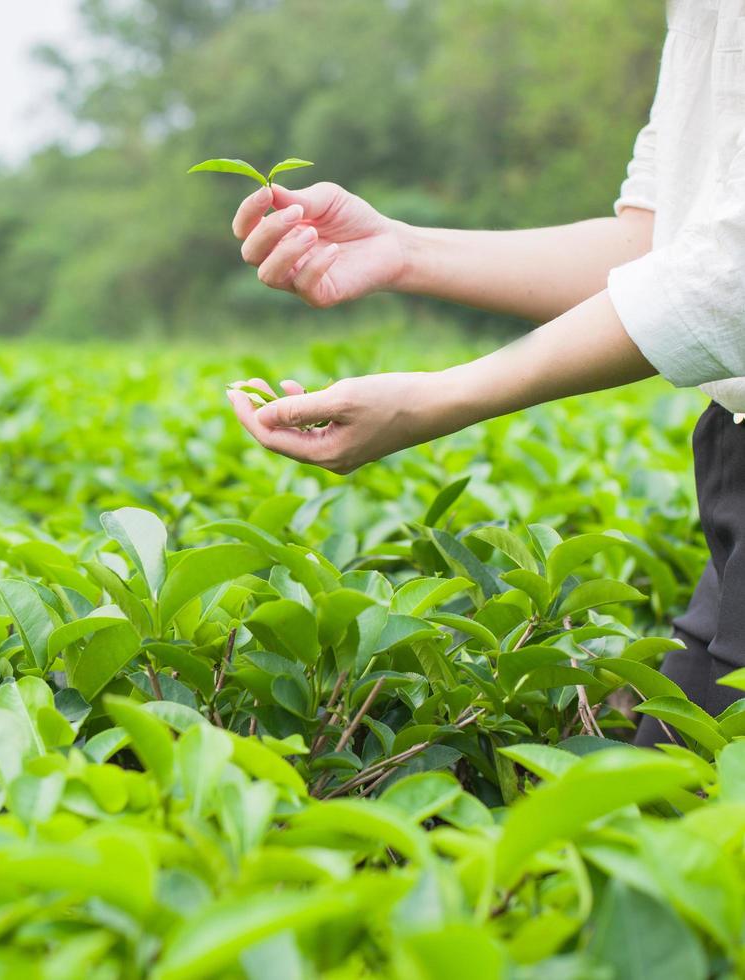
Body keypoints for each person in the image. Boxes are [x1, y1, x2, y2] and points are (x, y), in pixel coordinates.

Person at [224, 1, 745, 748]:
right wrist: (403, 250)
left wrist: (440, 398)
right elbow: (658, 244)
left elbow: (730, 280)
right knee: (675, 797)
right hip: (730, 463)